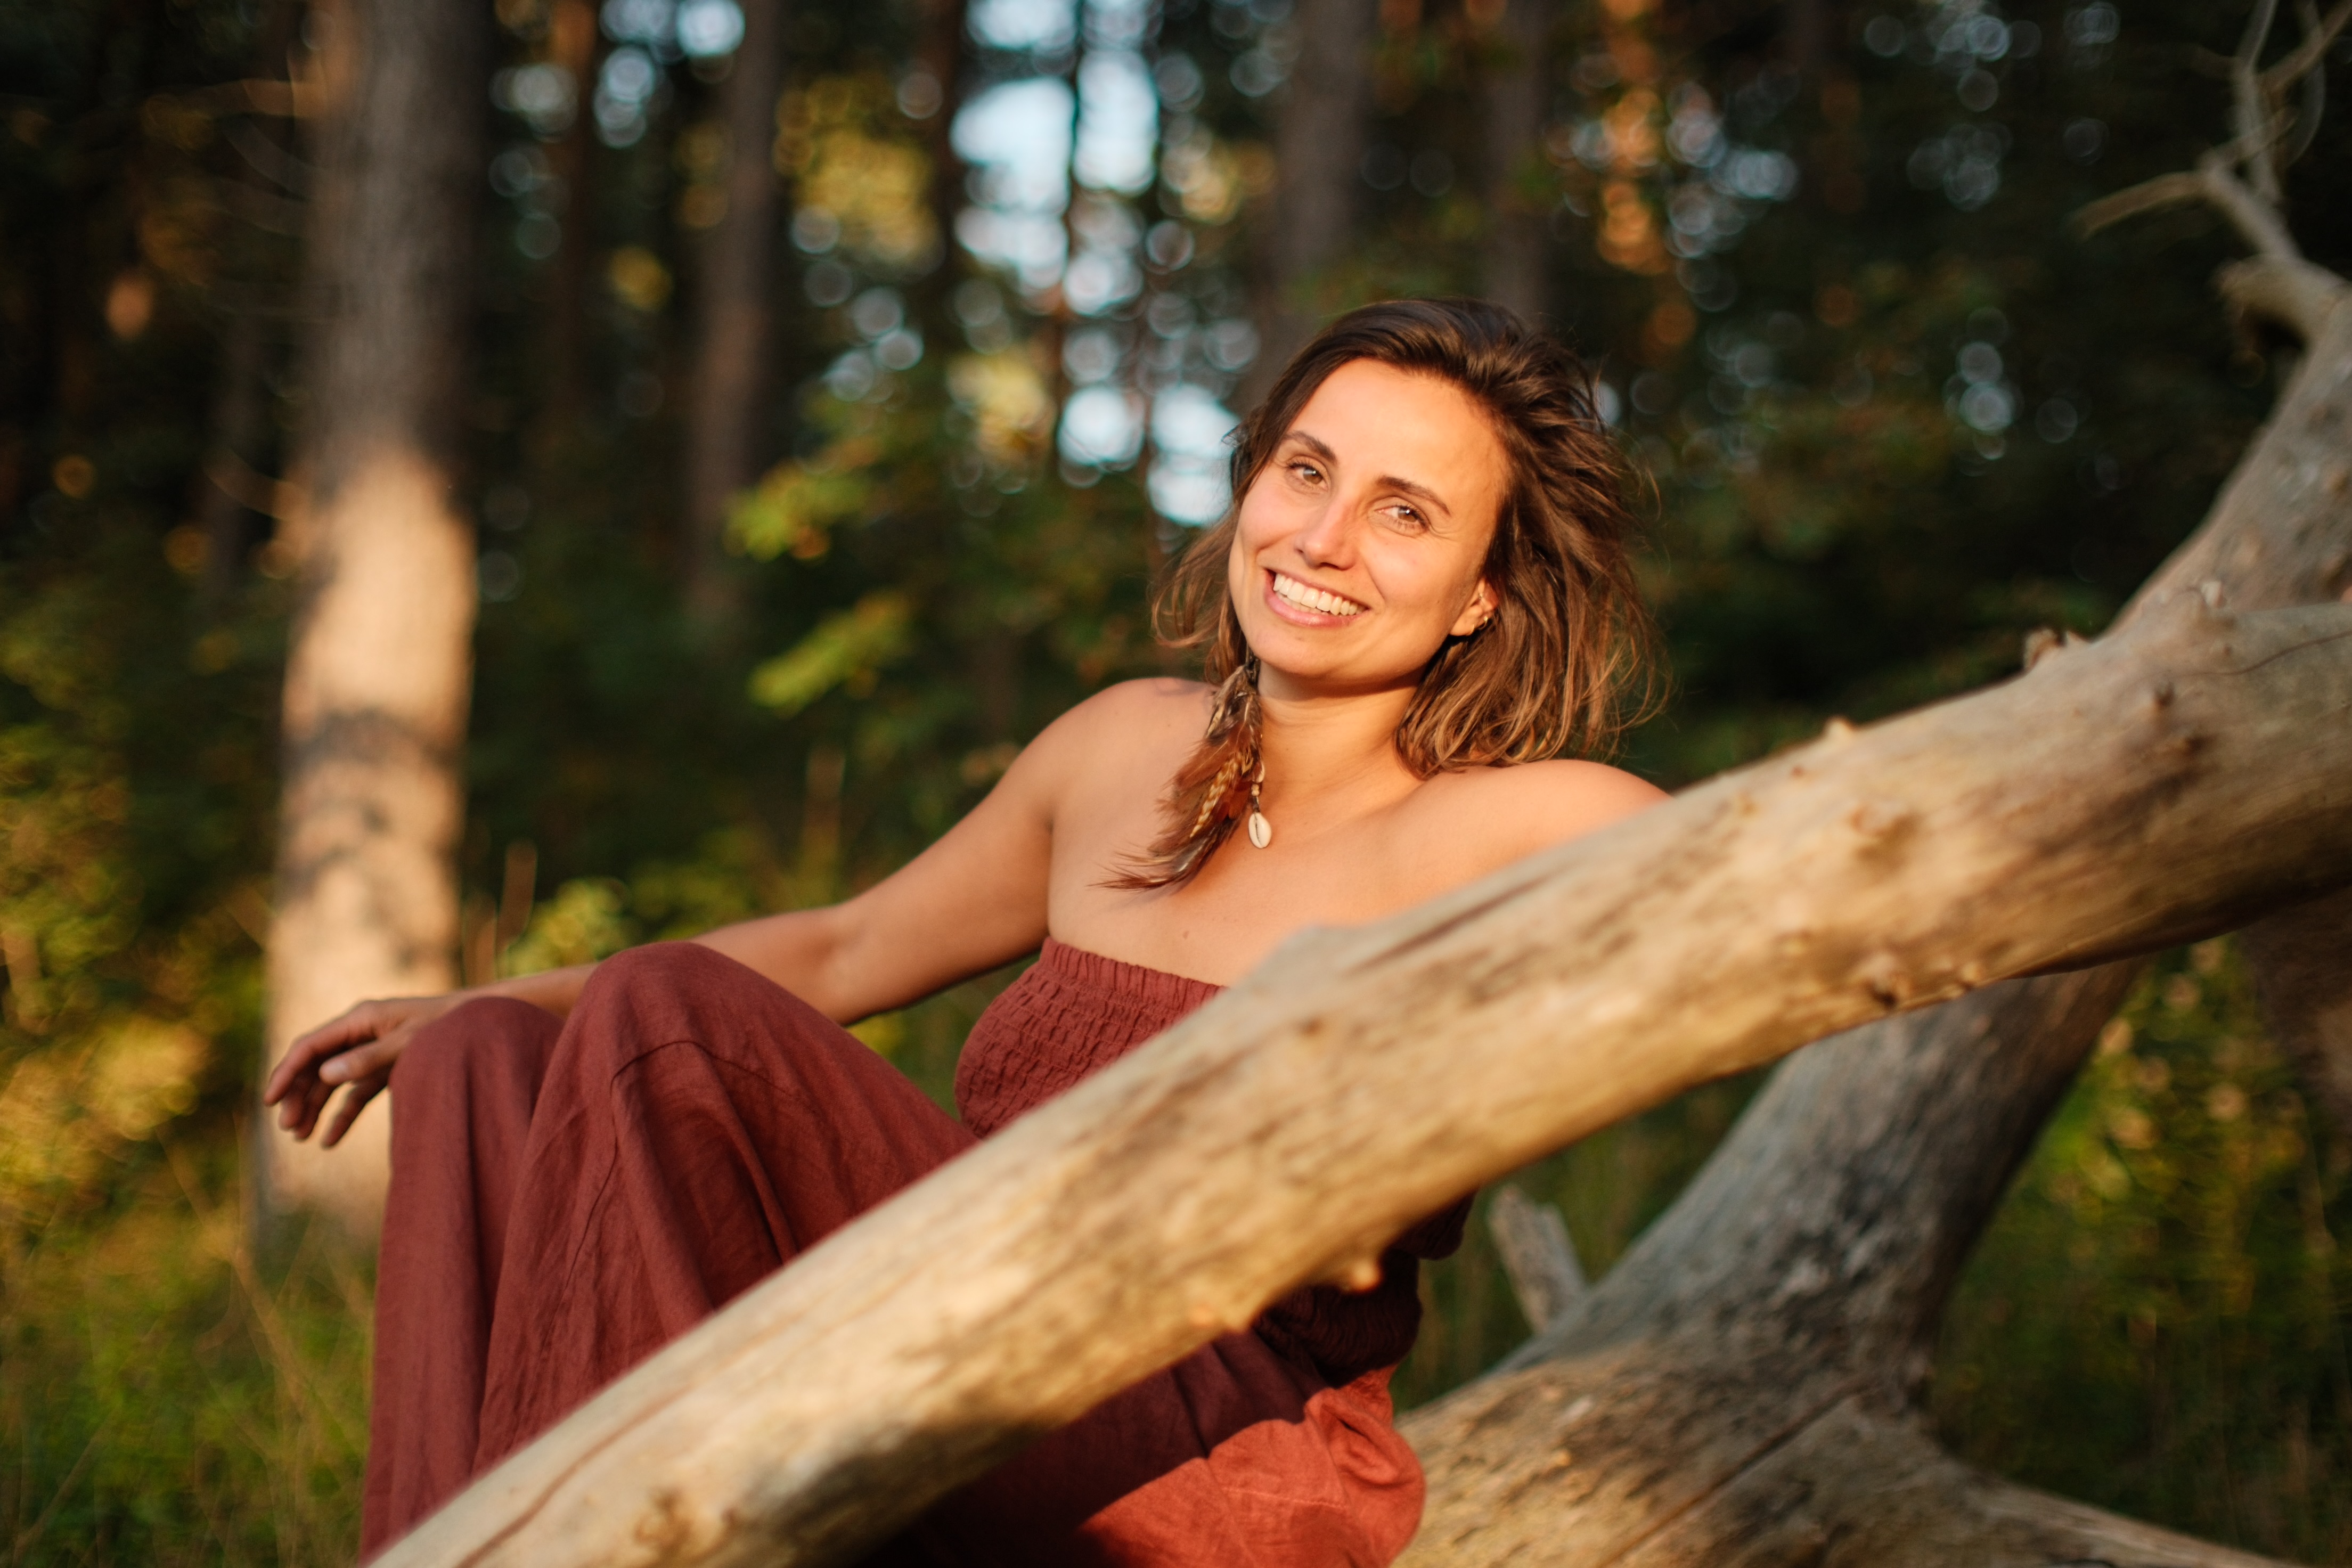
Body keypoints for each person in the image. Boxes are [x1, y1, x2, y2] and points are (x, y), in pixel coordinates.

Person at [264, 297, 1667, 1565]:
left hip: (1216, 1447)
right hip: (950, 1347)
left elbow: (1797, 904)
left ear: (1483, 590)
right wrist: (476, 1003)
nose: (1323, 537)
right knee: (489, 1067)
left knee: (660, 1010)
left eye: (1405, 512)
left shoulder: (1519, 825)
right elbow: (845, 952)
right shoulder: (1121, 748)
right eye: (1307, 470)